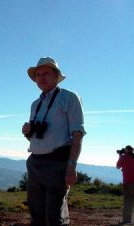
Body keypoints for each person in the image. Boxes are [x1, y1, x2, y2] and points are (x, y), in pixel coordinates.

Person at [22, 57, 85, 226]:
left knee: (54, 215)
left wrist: (71, 166)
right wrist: (27, 133)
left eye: (46, 73)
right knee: (36, 213)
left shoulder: (69, 97)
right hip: (35, 161)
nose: (41, 77)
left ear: (56, 76)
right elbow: (38, 136)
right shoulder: (36, 104)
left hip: (57, 162)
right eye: (38, 74)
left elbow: (77, 134)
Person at [116, 145, 134, 225]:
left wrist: (120, 155)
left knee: (127, 201)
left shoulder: (124, 157)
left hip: (128, 182)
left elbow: (118, 166)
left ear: (126, 150)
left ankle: (127, 220)